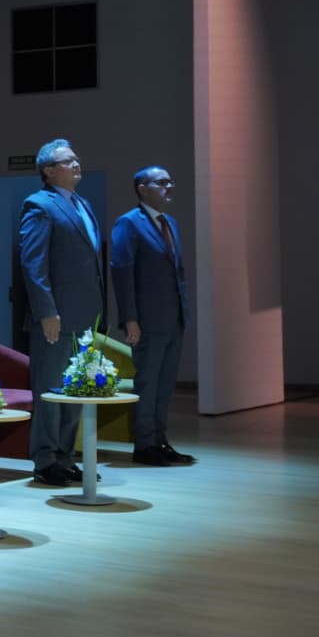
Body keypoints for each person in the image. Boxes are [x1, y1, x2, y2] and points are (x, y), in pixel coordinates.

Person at [14, 138, 105, 486]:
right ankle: (45, 459)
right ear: (48, 171)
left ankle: (65, 457)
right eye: (68, 161)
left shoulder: (83, 204)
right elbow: (33, 263)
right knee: (51, 390)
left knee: (76, 389)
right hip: (55, 317)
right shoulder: (39, 205)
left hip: (85, 316)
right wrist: (46, 311)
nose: (77, 164)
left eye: (76, 158)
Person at [110, 166, 196, 466]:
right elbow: (122, 272)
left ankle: (160, 441)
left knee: (165, 385)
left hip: (173, 317)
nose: (169, 187)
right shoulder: (128, 223)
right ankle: (144, 445)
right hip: (146, 320)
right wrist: (130, 319)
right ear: (142, 188)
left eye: (170, 182)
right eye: (161, 182)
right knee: (147, 384)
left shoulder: (170, 223)